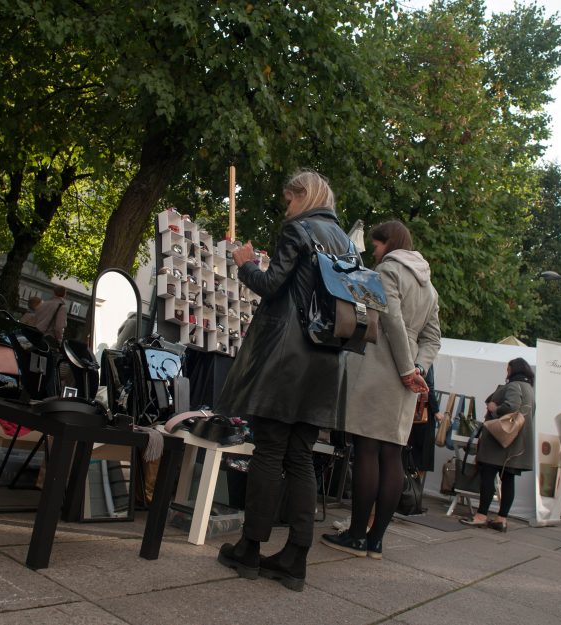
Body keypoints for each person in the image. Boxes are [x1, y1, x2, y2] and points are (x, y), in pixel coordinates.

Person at [215, 169, 350, 592]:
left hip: (287, 356)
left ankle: (250, 548)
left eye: (288, 200)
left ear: (302, 197)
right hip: (325, 360)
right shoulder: (345, 240)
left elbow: (273, 285)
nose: (285, 208)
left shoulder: (299, 229)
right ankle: (296, 558)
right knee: (301, 456)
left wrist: (246, 264)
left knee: (270, 451)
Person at [321, 220, 440, 558]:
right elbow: (433, 338)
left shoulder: (388, 270)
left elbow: (391, 320)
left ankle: (358, 534)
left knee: (368, 450)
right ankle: (376, 540)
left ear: (388, 243)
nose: (374, 251)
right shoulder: (429, 288)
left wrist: (405, 370)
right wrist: (418, 369)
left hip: (380, 367)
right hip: (407, 377)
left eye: (376, 245)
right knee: (392, 455)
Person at [459, 357, 535, 532]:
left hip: (499, 442)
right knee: (508, 479)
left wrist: (495, 408)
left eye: (508, 370)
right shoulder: (530, 389)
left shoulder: (514, 386)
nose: (506, 373)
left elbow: (511, 405)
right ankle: (501, 519)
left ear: (514, 370)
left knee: (488, 476)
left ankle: (481, 516)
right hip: (516, 443)